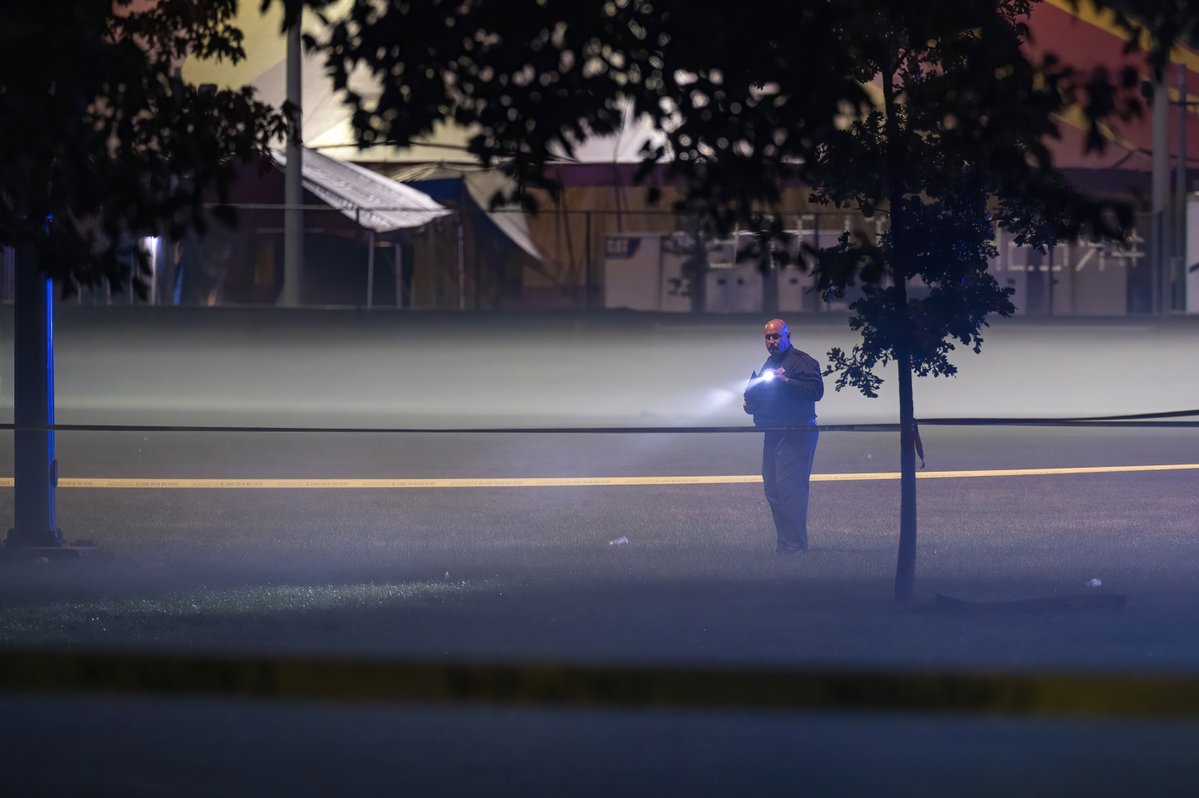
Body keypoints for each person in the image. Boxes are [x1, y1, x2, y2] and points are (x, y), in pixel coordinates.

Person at [743, 318, 824, 554]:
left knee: (790, 489)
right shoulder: (769, 364)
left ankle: (796, 546)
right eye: (768, 337)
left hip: (798, 432)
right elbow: (769, 400)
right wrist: (751, 405)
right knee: (772, 488)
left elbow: (816, 391)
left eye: (776, 336)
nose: (771, 341)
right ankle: (785, 543)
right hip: (775, 433)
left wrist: (786, 380)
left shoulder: (803, 362)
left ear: (788, 336)